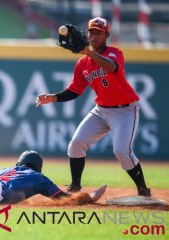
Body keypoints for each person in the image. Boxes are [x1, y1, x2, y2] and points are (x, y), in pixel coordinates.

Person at [36, 17, 151, 197]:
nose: (94, 36)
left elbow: (112, 67)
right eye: (92, 32)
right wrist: (54, 98)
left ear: (107, 35)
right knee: (76, 144)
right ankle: (75, 187)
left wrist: (88, 53)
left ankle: (143, 190)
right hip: (101, 110)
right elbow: (75, 90)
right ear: (87, 35)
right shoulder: (82, 63)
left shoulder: (114, 53)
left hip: (125, 110)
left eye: (99, 32)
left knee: (122, 151)